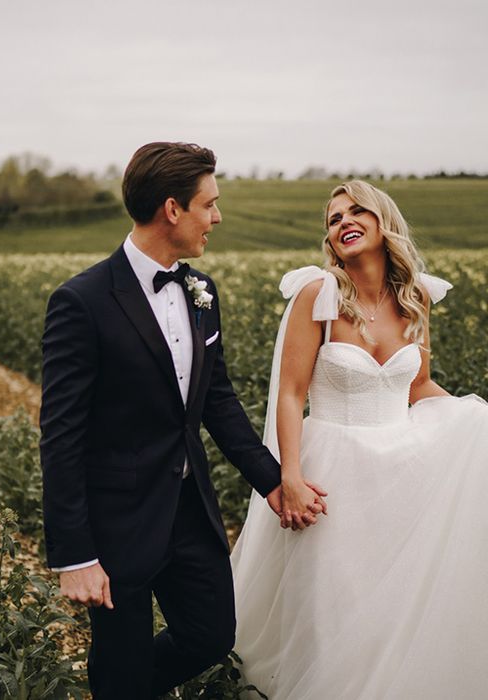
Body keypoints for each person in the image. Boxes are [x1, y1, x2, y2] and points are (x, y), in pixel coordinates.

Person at [39, 142, 326, 699]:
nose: (217, 218)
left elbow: (215, 400)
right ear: (173, 209)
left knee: (212, 636)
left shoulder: (201, 292)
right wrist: (74, 556)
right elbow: (61, 435)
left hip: (190, 512)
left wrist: (273, 482)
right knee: (120, 662)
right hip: (116, 521)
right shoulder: (80, 301)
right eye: (209, 205)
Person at [231, 180, 488, 699]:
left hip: (401, 471)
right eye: (332, 218)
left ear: (381, 220)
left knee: (392, 602)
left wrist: (473, 416)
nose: (342, 221)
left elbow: (416, 384)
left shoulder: (415, 297)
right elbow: (290, 393)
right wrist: (291, 475)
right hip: (333, 471)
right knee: (331, 603)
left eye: (355, 211)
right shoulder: (317, 294)